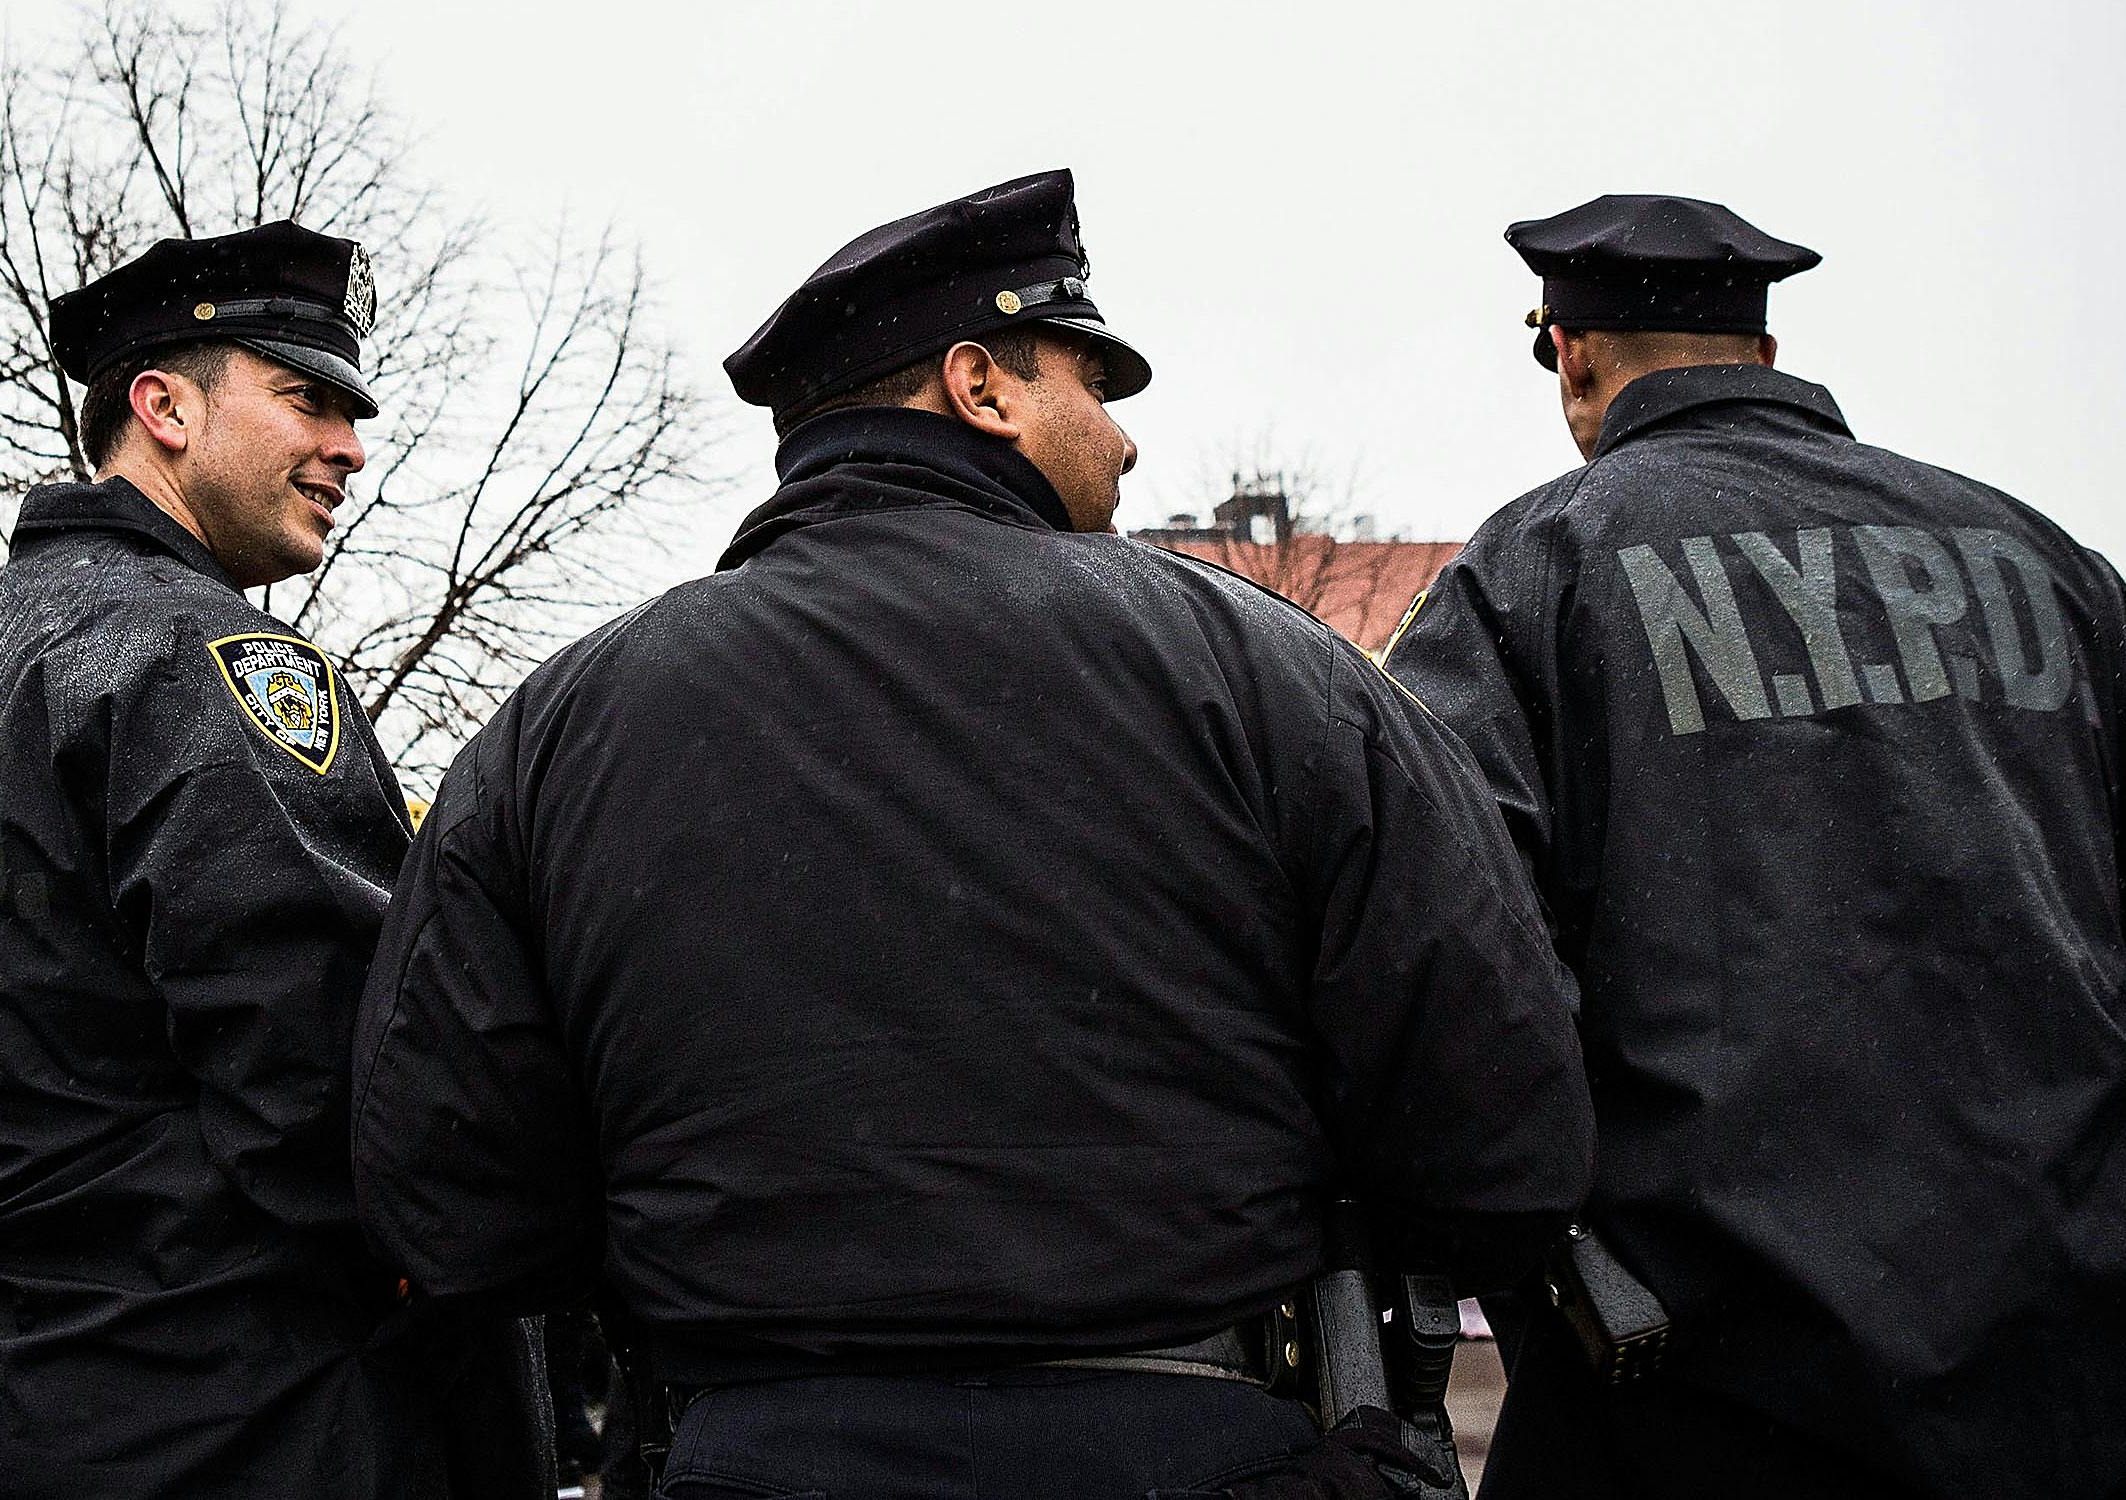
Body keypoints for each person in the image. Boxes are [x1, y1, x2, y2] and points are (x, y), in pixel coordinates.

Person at [351, 169, 1597, 1499]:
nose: (1122, 443)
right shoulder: (1270, 672)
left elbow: (450, 1198)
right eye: (1094, 386)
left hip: (754, 1453)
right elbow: (1503, 1143)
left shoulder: (553, 734)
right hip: (1205, 1452)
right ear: (980, 387)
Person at [1382, 193, 2126, 1498]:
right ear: (1769, 356)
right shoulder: (2033, 553)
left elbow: (1448, 938)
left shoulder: (1532, 568)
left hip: (1724, 1358)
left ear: (1569, 351)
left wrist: (1546, 1221)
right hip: (2124, 1332)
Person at [0, 221, 433, 1498]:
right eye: (306, 400)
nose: (349, 447)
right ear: (164, 406)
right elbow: (340, 1082)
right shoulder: (204, 658)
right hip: (223, 1412)